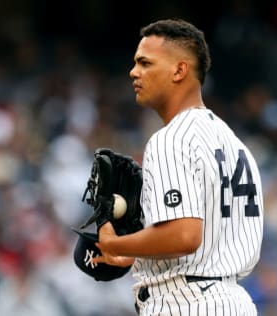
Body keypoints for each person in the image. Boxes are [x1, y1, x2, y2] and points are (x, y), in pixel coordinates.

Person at [92, 19, 264, 315]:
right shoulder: (234, 144)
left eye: (145, 63)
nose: (134, 72)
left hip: (186, 304)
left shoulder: (171, 139)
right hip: (231, 301)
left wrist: (115, 243)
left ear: (179, 70)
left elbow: (184, 236)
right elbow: (206, 244)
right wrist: (135, 253)